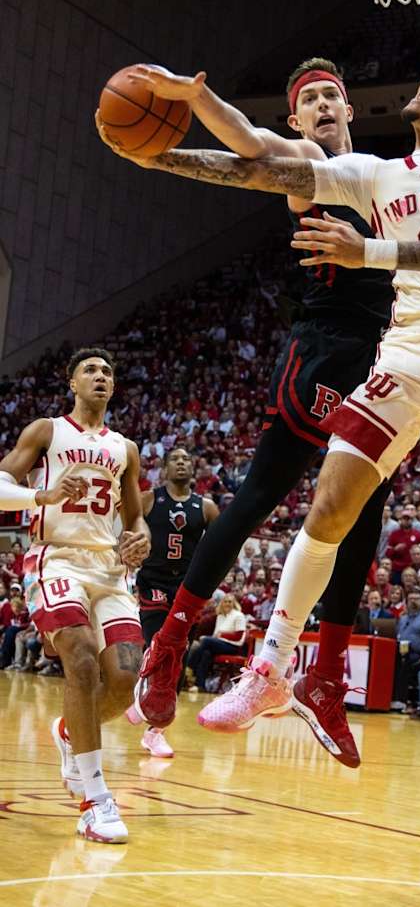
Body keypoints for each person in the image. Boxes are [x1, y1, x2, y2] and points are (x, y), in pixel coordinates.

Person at [117, 48, 420, 764]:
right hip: (398, 352)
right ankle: (270, 669)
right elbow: (257, 167)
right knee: (328, 506)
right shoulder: (373, 173)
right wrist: (156, 157)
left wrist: (366, 251)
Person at [97, 57, 395, 770]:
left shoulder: (386, 178)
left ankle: (325, 676)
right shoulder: (309, 161)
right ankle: (169, 645)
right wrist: (198, 99)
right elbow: (249, 145)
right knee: (259, 495)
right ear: (298, 118)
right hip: (323, 348)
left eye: (331, 95)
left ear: (351, 108)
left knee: (364, 517)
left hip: (383, 358)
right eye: (309, 99)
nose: (322, 105)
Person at [0, 348, 149, 843]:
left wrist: (141, 537)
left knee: (125, 680)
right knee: (81, 659)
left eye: (107, 371)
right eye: (90, 370)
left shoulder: (125, 448)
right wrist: (37, 497)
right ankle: (95, 800)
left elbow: (134, 516)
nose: (100, 376)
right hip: (56, 557)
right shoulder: (46, 431)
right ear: (72, 383)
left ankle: (70, 730)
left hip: (109, 568)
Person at [130, 446, 218, 758]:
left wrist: (211, 583)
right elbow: (126, 528)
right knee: (157, 645)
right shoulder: (148, 499)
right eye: (175, 459)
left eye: (186, 459)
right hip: (153, 581)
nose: (181, 463)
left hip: (186, 589)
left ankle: (156, 731)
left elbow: (221, 548)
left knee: (177, 656)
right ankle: (143, 696)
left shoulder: (206, 507)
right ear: (164, 468)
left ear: (193, 468)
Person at [187, 594, 247, 691]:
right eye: (225, 601)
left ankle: (190, 667)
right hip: (220, 644)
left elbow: (238, 636)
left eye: (230, 602)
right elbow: (216, 635)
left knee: (205, 641)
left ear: (234, 604)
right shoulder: (220, 616)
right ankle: (200, 685)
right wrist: (212, 637)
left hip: (233, 646)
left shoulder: (239, 615)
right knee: (206, 653)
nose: (227, 604)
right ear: (222, 603)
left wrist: (221, 635)